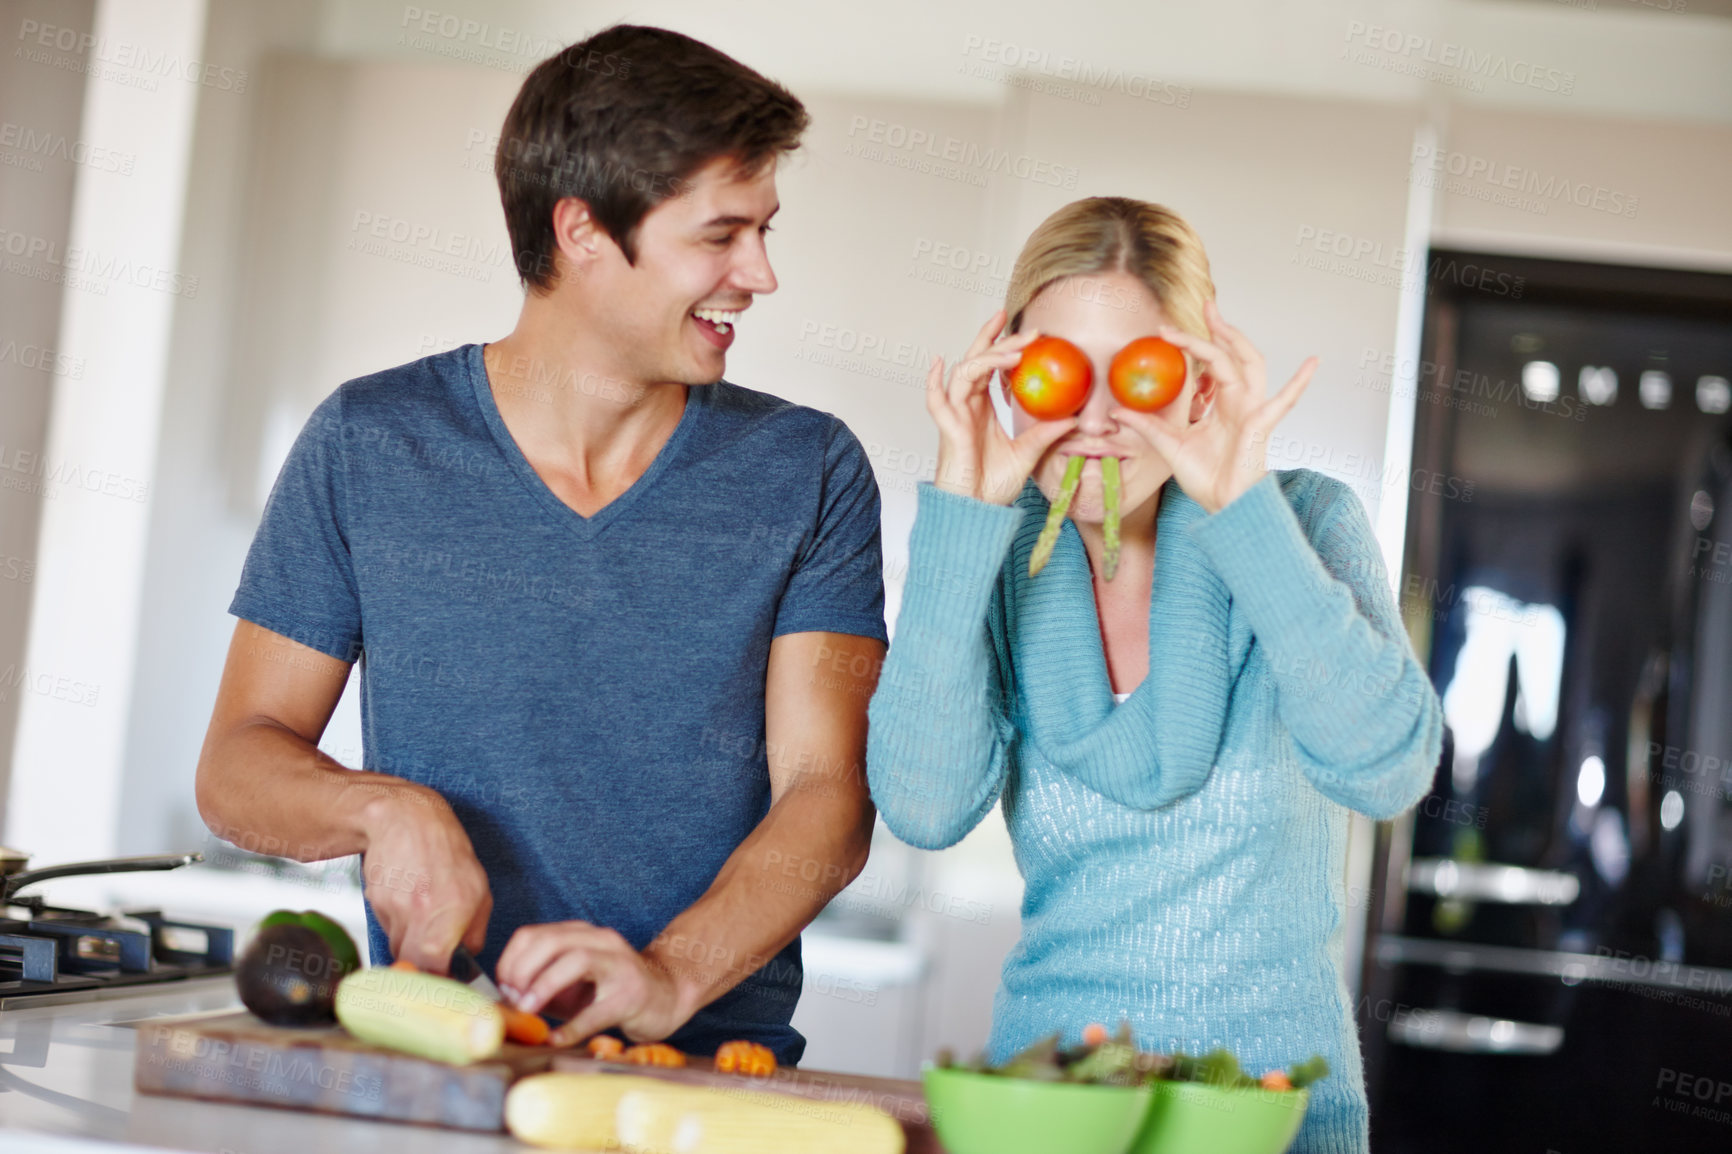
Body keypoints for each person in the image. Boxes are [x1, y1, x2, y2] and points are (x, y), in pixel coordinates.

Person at [194, 25, 887, 1063]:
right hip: (437, 1062)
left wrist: (670, 975)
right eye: (721, 234)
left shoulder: (807, 468)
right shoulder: (369, 443)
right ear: (583, 230)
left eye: (764, 230)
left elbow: (824, 794)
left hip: (696, 1075)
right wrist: (382, 808)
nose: (759, 273)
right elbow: (238, 768)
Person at [866, 196, 1443, 1153]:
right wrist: (960, 525)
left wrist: (1242, 510)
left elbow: (1384, 770)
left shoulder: (1301, 521)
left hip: (1276, 1128)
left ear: (1201, 386)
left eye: (1137, 374)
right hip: (1053, 1119)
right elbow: (924, 807)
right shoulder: (996, 561)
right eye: (1056, 374)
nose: (1094, 420)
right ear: (1007, 380)